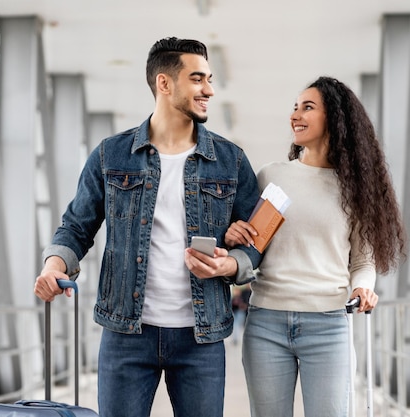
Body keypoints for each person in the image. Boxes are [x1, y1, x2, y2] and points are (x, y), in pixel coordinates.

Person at [33, 37, 262, 417]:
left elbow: (257, 238)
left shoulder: (230, 160)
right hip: (125, 334)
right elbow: (76, 226)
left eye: (209, 79)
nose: (209, 89)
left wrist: (232, 265)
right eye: (198, 79)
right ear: (164, 83)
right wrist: (53, 266)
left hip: (201, 338)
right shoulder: (111, 155)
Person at [225, 76, 406, 417]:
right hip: (266, 323)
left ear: (334, 119)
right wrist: (234, 232)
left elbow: (363, 261)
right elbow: (249, 241)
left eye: (308, 107)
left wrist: (364, 288)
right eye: (295, 107)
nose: (296, 115)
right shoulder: (270, 177)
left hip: (329, 325)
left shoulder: (355, 189)